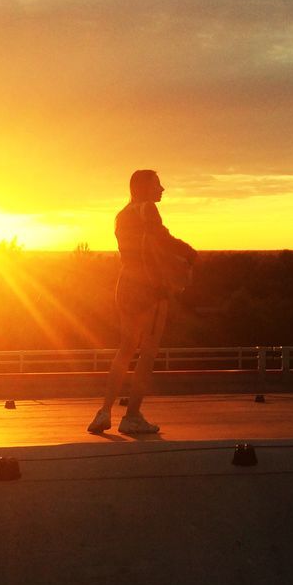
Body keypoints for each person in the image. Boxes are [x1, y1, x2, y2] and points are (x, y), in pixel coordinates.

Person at [88, 170, 195, 436]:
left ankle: (104, 412)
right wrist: (189, 253)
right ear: (146, 187)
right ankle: (132, 416)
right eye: (158, 184)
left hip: (125, 284)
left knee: (125, 349)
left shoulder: (122, 215)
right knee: (147, 352)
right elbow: (162, 239)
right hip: (148, 288)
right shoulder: (147, 209)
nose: (162, 189)